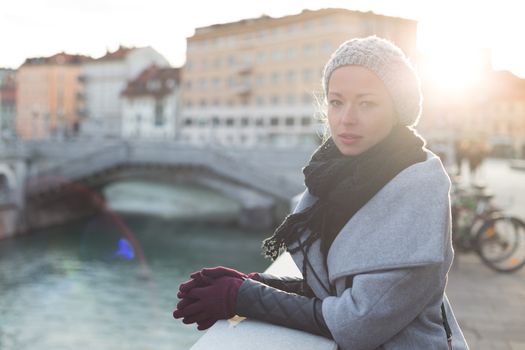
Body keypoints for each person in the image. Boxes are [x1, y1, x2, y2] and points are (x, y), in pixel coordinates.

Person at [173, 36, 470, 350]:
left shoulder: (416, 190)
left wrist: (242, 297)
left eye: (366, 103)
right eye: (336, 101)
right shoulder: (337, 177)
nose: (346, 119)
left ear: (398, 108)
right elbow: (333, 288)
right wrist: (256, 283)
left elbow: (359, 321)